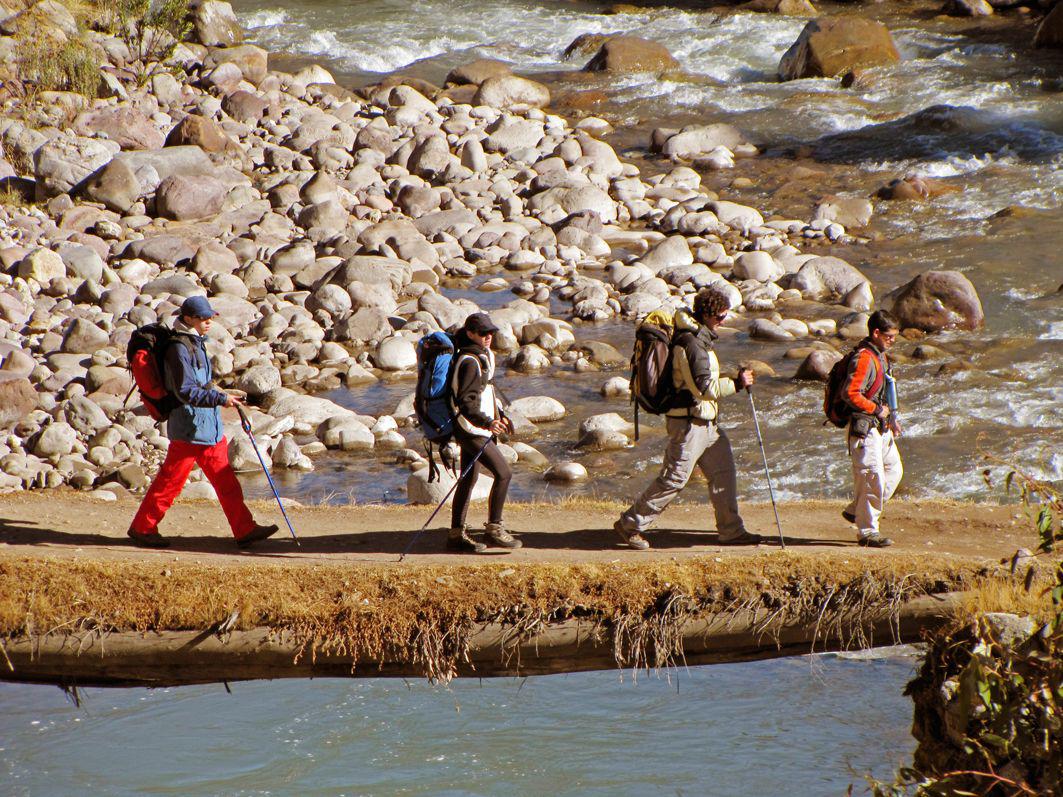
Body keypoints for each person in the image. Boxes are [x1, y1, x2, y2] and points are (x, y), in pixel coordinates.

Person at [613, 286, 762, 550]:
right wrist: (738, 383)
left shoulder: (700, 339)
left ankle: (731, 531)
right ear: (706, 315)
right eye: (720, 316)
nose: (723, 321)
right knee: (675, 479)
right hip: (689, 425)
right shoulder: (691, 344)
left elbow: (703, 381)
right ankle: (630, 524)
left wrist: (730, 380)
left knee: (724, 473)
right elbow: (704, 389)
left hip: (707, 424)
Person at [128, 296, 278, 549]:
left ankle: (244, 529)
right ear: (188, 319)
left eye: (210, 317)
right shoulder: (178, 348)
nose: (209, 322)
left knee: (226, 481)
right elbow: (185, 391)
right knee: (170, 483)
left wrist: (223, 394)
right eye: (203, 318)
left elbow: (200, 383)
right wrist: (220, 399)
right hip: (190, 429)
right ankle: (143, 528)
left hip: (207, 428)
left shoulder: (194, 342)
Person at [447, 312, 519, 554]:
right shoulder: (469, 361)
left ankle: (456, 535)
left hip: (474, 426)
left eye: (491, 332)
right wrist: (488, 423)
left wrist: (500, 414)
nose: (488, 336)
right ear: (470, 334)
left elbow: (485, 391)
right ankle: (494, 529)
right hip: (470, 428)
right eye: (483, 333)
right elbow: (466, 402)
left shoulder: (482, 355)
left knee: (468, 478)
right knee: (504, 473)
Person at [841, 309, 903, 548]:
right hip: (865, 429)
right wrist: (877, 410)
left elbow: (885, 389)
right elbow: (850, 393)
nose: (893, 340)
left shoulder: (881, 356)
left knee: (894, 471)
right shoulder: (864, 359)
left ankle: (856, 510)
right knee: (871, 479)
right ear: (876, 333)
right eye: (889, 336)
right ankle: (867, 531)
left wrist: (892, 418)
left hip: (881, 426)